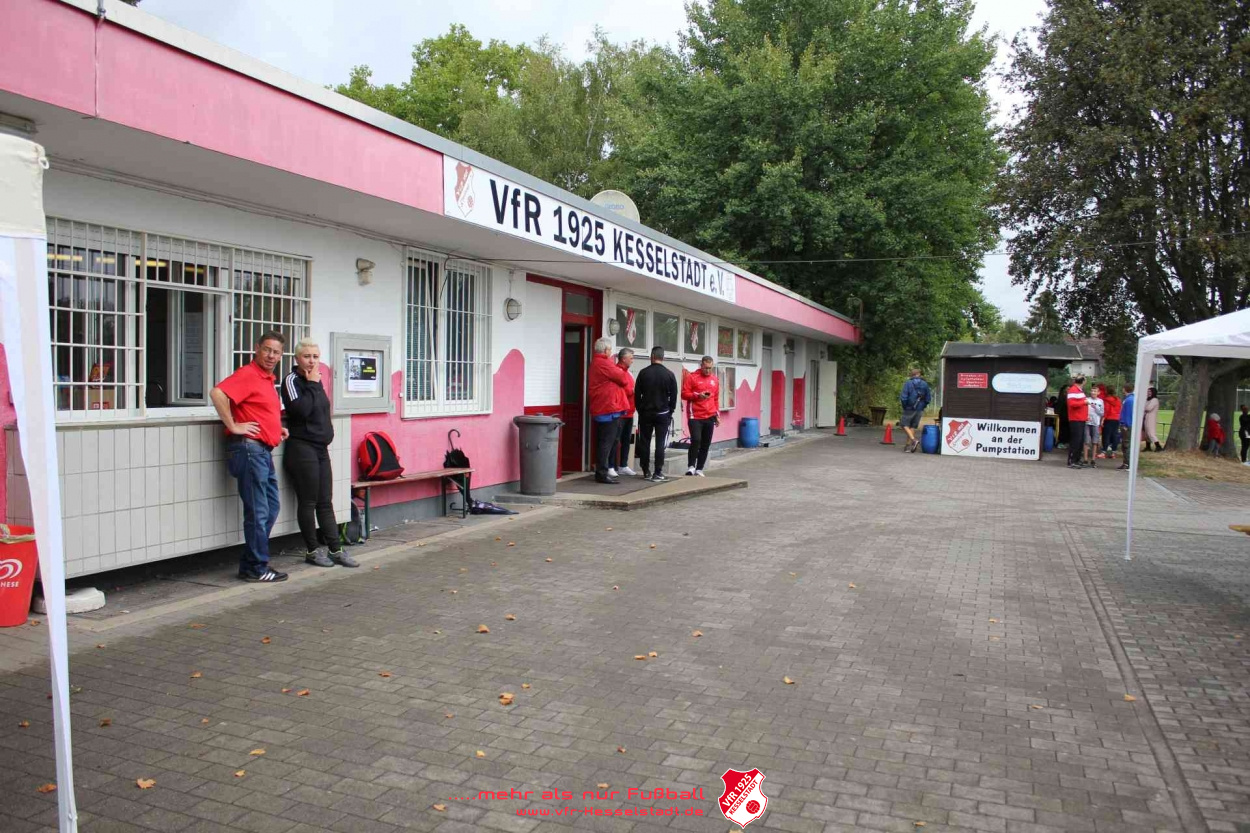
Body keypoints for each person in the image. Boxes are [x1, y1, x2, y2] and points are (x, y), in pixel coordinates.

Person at [210, 332, 290, 583]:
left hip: (262, 450)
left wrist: (276, 429)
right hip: (249, 450)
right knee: (258, 511)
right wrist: (233, 425)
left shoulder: (267, 379)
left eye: (276, 352)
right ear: (257, 349)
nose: (271, 356)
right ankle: (257, 567)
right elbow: (217, 393)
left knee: (271, 507)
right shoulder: (249, 374)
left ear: (281, 355)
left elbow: (257, 410)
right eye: (267, 350)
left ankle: (250, 564)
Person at [281, 340, 358, 569]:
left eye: (315, 356)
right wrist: (313, 385)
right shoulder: (292, 381)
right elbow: (301, 410)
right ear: (297, 358)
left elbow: (321, 410)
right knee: (309, 501)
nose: (311, 361)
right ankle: (312, 551)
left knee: (325, 501)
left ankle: (336, 550)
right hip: (301, 448)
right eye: (307, 356)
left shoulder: (317, 380)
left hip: (320, 448)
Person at [588, 337, 632, 484]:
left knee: (605, 441)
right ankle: (602, 473)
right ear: (606, 350)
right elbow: (622, 378)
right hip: (608, 408)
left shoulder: (597, 362)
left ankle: (603, 471)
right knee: (607, 442)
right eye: (610, 349)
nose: (611, 352)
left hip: (604, 407)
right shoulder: (604, 363)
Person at [634, 346, 678, 481]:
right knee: (660, 443)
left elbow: (637, 394)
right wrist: (670, 411)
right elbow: (674, 396)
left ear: (652, 357)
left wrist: (640, 409)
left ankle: (645, 470)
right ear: (663, 357)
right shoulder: (669, 374)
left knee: (645, 441)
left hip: (646, 413)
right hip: (663, 413)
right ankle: (658, 471)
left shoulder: (643, 373)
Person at [682, 355, 720, 476]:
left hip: (709, 416)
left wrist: (717, 415)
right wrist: (698, 395)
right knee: (696, 440)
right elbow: (684, 394)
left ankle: (699, 469)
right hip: (695, 416)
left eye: (710, 368)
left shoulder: (715, 380)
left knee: (706, 443)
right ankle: (691, 466)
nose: (708, 370)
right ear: (701, 365)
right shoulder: (692, 377)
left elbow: (716, 399)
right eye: (705, 368)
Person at [611, 348, 638, 477]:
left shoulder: (629, 373)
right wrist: (632, 391)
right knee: (615, 440)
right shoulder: (617, 372)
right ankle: (611, 466)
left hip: (630, 411)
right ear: (623, 359)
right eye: (631, 358)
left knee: (626, 440)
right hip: (620, 412)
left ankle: (623, 465)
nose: (632, 360)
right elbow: (621, 391)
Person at [898, 369, 931, 453]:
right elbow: (928, 399)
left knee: (903, 424)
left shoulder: (908, 383)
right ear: (919, 374)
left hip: (909, 407)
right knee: (912, 426)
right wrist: (923, 406)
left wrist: (905, 406)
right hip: (919, 409)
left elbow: (903, 397)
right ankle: (908, 447)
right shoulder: (925, 384)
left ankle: (914, 440)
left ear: (911, 375)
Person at [1066, 375, 1089, 469]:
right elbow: (1071, 404)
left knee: (1080, 440)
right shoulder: (1073, 390)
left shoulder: (1079, 390)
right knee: (1076, 440)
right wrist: (1084, 402)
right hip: (1075, 419)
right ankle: (1072, 460)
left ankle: (1077, 459)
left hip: (1081, 418)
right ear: (1083, 381)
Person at [1100, 385, 1122, 459]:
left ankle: (1104, 452)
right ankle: (1113, 452)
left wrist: (1103, 419)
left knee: (1106, 435)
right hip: (1116, 419)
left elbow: (1106, 410)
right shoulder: (1118, 400)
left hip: (1109, 418)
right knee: (1114, 435)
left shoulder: (1107, 400)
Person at [1117, 384, 1135, 470]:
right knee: (1126, 444)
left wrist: (1125, 424)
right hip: (1128, 424)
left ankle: (1127, 463)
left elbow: (1128, 413)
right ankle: (1126, 462)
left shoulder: (1129, 400)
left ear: (1125, 389)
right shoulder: (1130, 399)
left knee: (1126, 444)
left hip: (1127, 425)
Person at [1085, 388, 1104, 467]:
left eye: (1095, 391)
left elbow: (1102, 413)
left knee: (1095, 441)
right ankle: (1085, 459)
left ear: (1098, 393)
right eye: (1092, 391)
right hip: (1087, 422)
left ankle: (1093, 459)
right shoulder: (1087, 399)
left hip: (1096, 423)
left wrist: (1095, 407)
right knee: (1086, 440)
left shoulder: (1100, 401)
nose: (1093, 392)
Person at [1143, 386, 1162, 452]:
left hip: (1151, 417)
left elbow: (1148, 408)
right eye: (1148, 391)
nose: (1148, 393)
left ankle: (1158, 446)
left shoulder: (1154, 400)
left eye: (1150, 391)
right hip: (1146, 417)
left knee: (1151, 433)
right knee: (1146, 433)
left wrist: (1144, 407)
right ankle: (1148, 447)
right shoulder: (1148, 400)